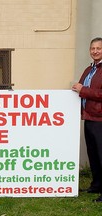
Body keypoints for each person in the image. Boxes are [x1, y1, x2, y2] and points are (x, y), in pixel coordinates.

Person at [72, 37, 102, 202]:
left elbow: (96, 93)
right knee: (93, 154)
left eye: (98, 48)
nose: (95, 51)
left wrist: (83, 89)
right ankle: (96, 185)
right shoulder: (89, 69)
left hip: (100, 118)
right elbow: (83, 89)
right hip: (88, 117)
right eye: (92, 48)